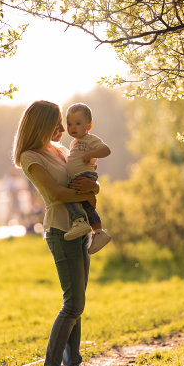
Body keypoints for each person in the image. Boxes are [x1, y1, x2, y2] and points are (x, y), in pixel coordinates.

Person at [13, 100, 104, 366]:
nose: (63, 129)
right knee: (73, 303)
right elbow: (55, 192)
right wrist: (87, 191)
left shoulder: (63, 151)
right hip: (60, 231)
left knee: (77, 306)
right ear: (42, 124)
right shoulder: (30, 157)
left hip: (80, 231)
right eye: (57, 122)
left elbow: (87, 179)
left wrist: (92, 188)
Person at [64, 102, 112, 254]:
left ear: (88, 126)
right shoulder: (73, 142)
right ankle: (98, 232)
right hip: (81, 175)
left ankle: (79, 221)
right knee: (87, 205)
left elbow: (106, 150)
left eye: (78, 123)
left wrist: (91, 155)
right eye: (70, 124)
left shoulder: (90, 139)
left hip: (84, 176)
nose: (73, 127)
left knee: (68, 194)